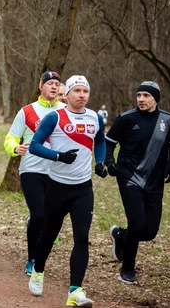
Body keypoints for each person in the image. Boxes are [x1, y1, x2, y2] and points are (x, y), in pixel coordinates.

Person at [27, 75, 106, 307]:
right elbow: (34, 146)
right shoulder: (55, 116)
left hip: (83, 188)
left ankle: (75, 290)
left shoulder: (95, 117)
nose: (82, 95)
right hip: (57, 187)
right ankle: (38, 269)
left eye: (85, 91)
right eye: (77, 91)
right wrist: (59, 156)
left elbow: (100, 141)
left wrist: (100, 162)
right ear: (68, 94)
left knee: (82, 237)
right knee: (49, 234)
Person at [104, 81, 170, 285]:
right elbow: (109, 142)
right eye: (139, 95)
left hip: (155, 181)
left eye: (146, 95)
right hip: (129, 177)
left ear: (156, 98)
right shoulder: (126, 119)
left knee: (150, 231)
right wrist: (110, 162)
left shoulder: (168, 120)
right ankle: (127, 270)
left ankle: (120, 236)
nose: (141, 99)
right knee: (137, 224)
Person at [3, 70, 63, 275]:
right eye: (49, 83)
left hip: (58, 173)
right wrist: (15, 148)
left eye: (57, 83)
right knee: (39, 215)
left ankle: (42, 241)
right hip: (32, 170)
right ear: (40, 86)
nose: (54, 86)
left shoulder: (65, 111)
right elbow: (10, 138)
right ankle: (33, 259)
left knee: (51, 220)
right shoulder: (27, 111)